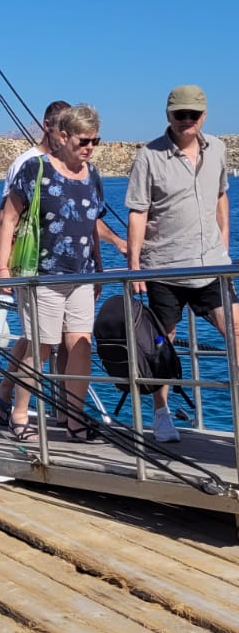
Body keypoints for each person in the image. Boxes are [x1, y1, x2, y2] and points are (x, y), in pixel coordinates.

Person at [125, 84, 238, 445]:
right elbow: (138, 212)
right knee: (163, 342)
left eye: (193, 114)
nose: (186, 120)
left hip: (211, 265)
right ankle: (161, 414)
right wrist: (134, 266)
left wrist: (224, 240)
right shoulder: (149, 156)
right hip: (165, 267)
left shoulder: (217, 149)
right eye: (180, 114)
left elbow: (220, 194)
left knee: (236, 329)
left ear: (204, 115)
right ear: (168, 115)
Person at [0, 104, 105, 442]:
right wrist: (2, 267)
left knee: (81, 344)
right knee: (40, 346)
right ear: (65, 136)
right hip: (43, 273)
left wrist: (98, 266)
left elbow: (92, 224)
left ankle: (74, 418)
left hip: (81, 274)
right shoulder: (36, 169)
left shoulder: (92, 174)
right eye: (83, 140)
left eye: (95, 141)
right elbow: (9, 217)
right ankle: (19, 413)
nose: (89, 147)